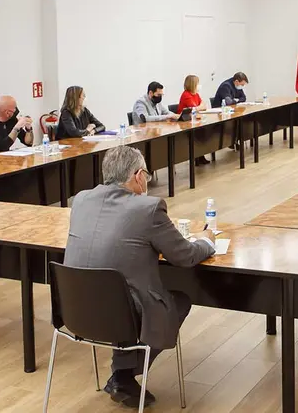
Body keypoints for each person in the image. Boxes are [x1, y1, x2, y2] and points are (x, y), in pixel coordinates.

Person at [63, 146, 215, 408]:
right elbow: (184, 256)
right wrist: (207, 241)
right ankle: (122, 374)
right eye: (146, 173)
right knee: (177, 300)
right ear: (137, 176)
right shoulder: (148, 208)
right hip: (120, 312)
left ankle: (121, 374)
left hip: (75, 309)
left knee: (121, 292)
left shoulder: (81, 199)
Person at [178, 75, 210, 166]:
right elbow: (195, 109)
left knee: (202, 131)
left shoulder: (195, 94)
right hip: (184, 123)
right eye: (197, 83)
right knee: (198, 133)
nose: (199, 85)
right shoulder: (186, 95)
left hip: (194, 120)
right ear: (193, 84)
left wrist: (198, 108)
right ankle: (197, 156)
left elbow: (203, 106)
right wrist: (198, 108)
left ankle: (200, 155)